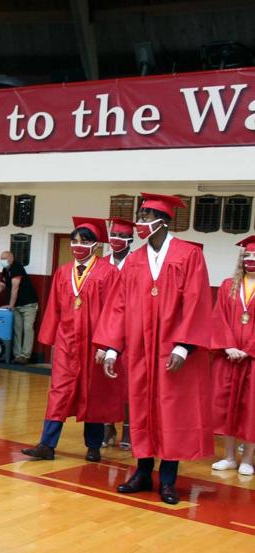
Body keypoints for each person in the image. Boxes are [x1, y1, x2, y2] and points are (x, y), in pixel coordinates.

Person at [94, 193, 214, 505]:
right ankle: (143, 472)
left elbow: (197, 301)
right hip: (141, 350)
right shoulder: (133, 261)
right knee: (141, 410)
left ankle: (169, 480)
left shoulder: (188, 255)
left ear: (162, 221)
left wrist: (184, 346)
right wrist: (111, 349)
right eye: (140, 217)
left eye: (146, 218)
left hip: (173, 351)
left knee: (172, 411)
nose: (140, 224)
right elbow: (119, 307)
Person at [21, 217, 124, 462]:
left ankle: (93, 446)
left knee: (93, 393)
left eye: (84, 241)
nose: (78, 246)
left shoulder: (108, 272)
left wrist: (107, 344)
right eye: (74, 241)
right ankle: (46, 444)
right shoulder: (63, 271)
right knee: (59, 391)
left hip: (94, 344)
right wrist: (52, 339)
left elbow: (115, 310)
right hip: (67, 343)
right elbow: (54, 307)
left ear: (96, 245)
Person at [209, 236, 255, 477]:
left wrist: (248, 349)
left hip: (253, 360)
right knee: (226, 408)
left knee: (251, 410)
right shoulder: (229, 285)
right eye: (247, 256)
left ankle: (247, 459)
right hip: (228, 359)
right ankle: (228, 457)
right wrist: (228, 347)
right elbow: (218, 318)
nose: (251, 260)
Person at [104, 218, 135, 449]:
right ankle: (107, 428)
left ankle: (128, 429)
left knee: (126, 384)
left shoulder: (137, 264)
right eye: (114, 235)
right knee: (104, 383)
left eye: (122, 237)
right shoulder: (102, 264)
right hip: (104, 328)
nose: (117, 240)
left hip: (129, 331)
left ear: (130, 240)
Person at [0, 249, 39, 364]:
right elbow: (1, 286)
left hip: (28, 304)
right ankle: (17, 355)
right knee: (17, 329)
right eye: (1, 259)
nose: (2, 261)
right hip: (16, 306)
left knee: (28, 329)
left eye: (4, 259)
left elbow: (15, 287)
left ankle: (25, 355)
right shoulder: (5, 270)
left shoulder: (17, 267)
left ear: (11, 258)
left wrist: (10, 306)